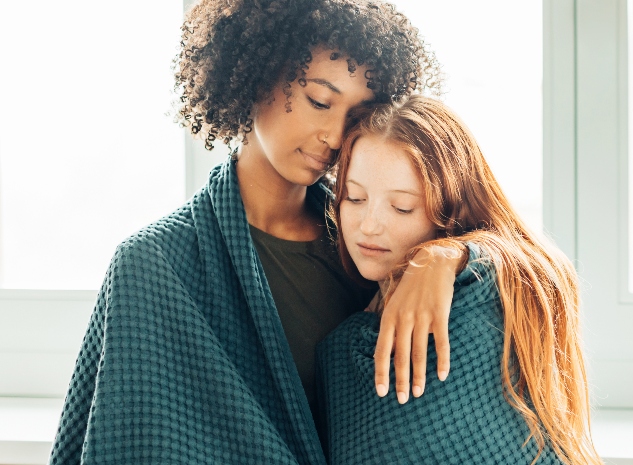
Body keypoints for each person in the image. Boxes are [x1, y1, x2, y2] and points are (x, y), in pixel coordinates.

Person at [50, 1, 461, 463]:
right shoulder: (153, 265)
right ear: (255, 76)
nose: (335, 135)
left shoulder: (373, 237)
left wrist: (447, 258)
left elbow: (510, 260)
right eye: (319, 101)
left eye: (356, 116)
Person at [317, 95, 603, 465]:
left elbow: (544, 268)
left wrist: (449, 255)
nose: (369, 225)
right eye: (354, 198)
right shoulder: (341, 351)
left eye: (402, 207)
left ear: (452, 209)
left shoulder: (485, 299)